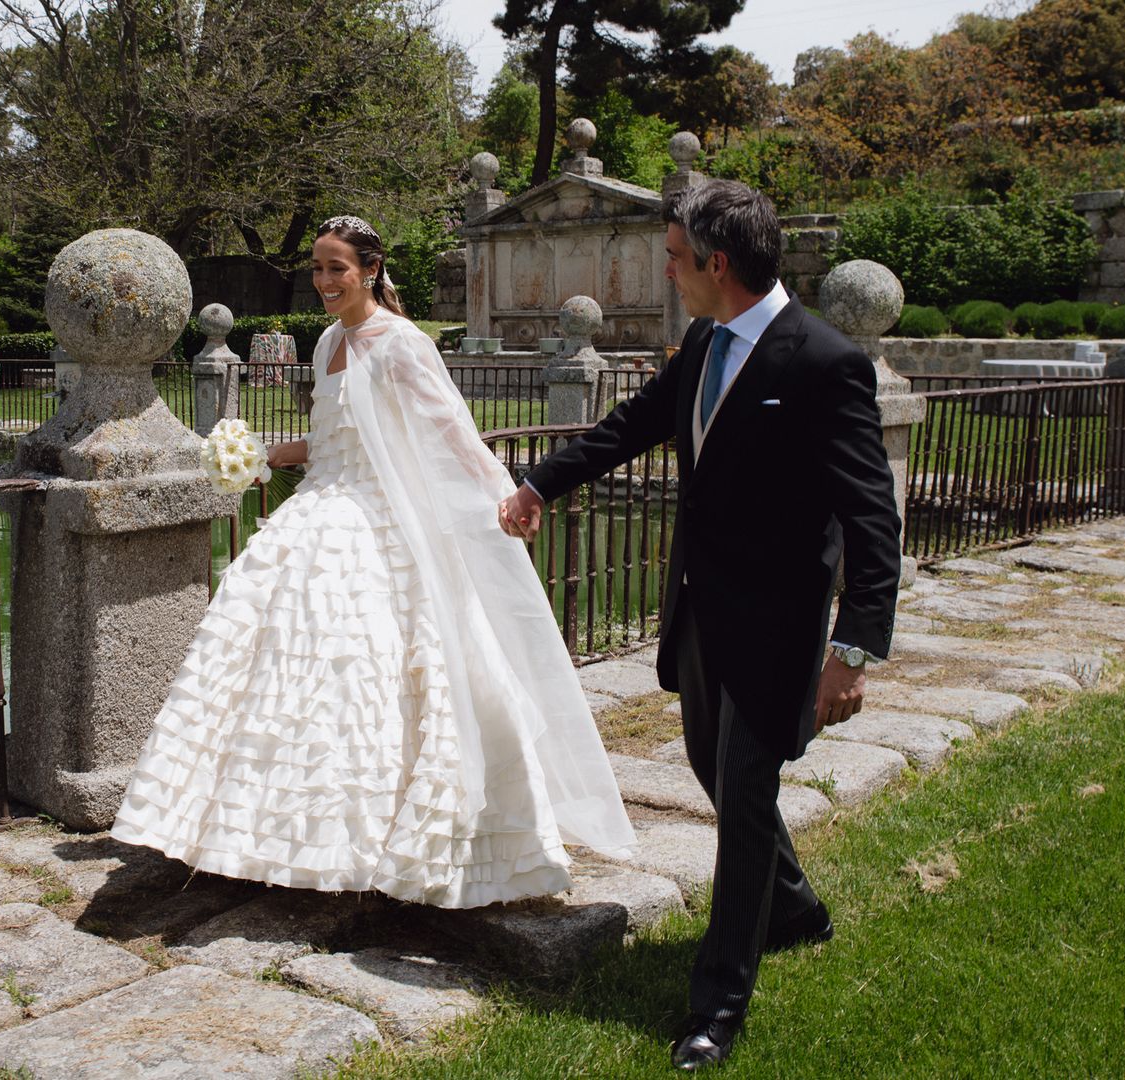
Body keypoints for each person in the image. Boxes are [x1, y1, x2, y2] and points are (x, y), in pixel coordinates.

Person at [110, 215, 635, 908]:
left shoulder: (401, 344)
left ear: (370, 270)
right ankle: (268, 836)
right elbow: (332, 438)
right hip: (315, 512)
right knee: (278, 667)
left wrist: (510, 495)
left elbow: (453, 431)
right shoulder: (328, 339)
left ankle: (392, 837)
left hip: (379, 523)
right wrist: (263, 454)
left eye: (337, 269)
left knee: (376, 672)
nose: (326, 282)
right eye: (318, 271)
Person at [498, 179, 902, 1070]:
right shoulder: (703, 339)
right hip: (698, 616)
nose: (667, 271)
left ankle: (716, 1007)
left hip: (779, 627)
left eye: (675, 258)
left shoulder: (823, 360)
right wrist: (537, 485)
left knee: (745, 800)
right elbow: (636, 422)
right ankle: (795, 908)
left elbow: (872, 520)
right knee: (710, 770)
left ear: (718, 264)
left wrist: (853, 649)